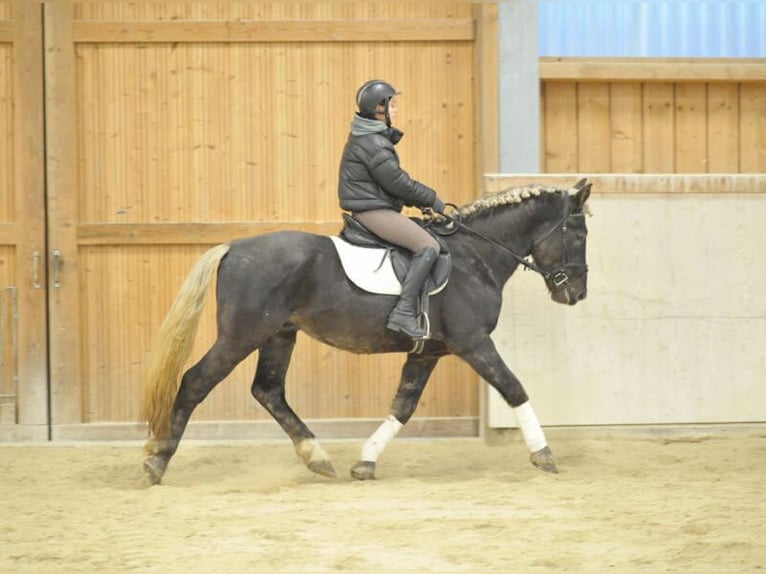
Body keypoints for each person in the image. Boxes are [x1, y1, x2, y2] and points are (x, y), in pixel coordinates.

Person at [338, 79, 448, 339]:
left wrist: (419, 202)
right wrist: (431, 199)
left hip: (376, 206)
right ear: (379, 108)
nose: (396, 110)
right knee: (428, 246)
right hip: (372, 212)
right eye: (393, 105)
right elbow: (397, 182)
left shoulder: (369, 137)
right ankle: (404, 312)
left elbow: (391, 184)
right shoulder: (373, 143)